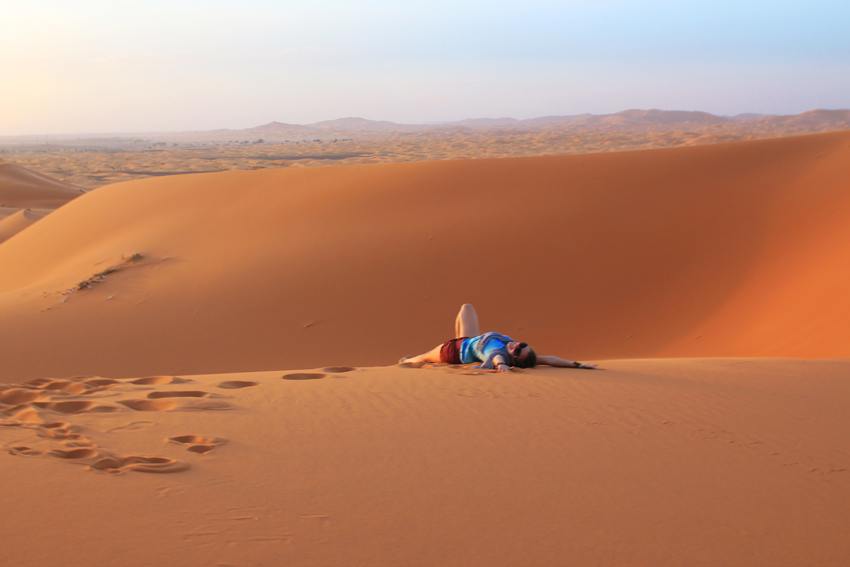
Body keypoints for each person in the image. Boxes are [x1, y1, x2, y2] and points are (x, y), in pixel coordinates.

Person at [399, 304, 597, 372]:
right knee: (466, 308)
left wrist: (500, 366)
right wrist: (578, 365)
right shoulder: (513, 348)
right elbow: (549, 359)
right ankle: (469, 350)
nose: (517, 345)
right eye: (523, 344)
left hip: (452, 352)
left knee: (422, 357)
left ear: (514, 359)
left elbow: (496, 357)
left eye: (518, 351)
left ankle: (406, 361)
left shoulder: (499, 351)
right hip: (468, 341)